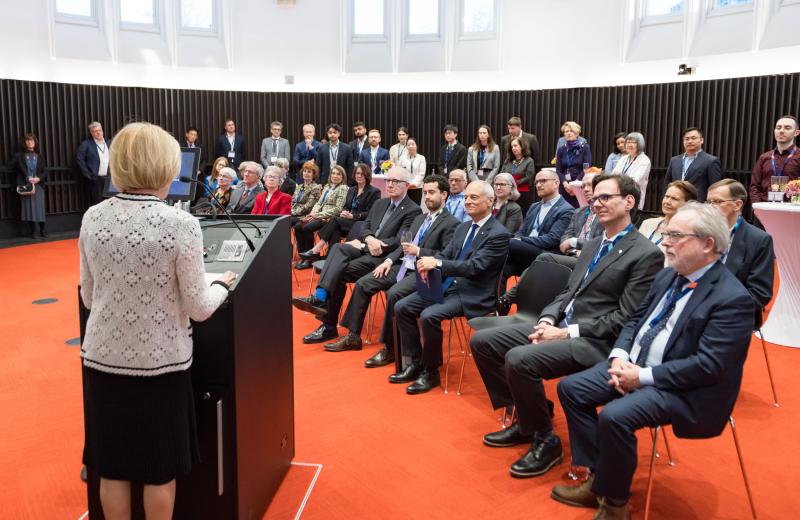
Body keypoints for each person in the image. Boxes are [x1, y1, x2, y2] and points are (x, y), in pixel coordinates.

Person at [552, 202, 754, 520]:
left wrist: (643, 376)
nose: (665, 241)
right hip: (634, 366)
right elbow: (633, 320)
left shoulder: (733, 299)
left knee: (615, 417)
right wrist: (619, 356)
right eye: (667, 233)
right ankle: (598, 478)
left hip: (684, 387)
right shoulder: (667, 276)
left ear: (708, 244)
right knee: (572, 389)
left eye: (675, 235)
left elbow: (709, 365)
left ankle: (615, 504)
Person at [79, 121, 236, 520]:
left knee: (112, 466)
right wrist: (220, 283)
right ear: (164, 166)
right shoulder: (179, 223)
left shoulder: (92, 217)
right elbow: (200, 307)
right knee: (158, 469)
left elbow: (87, 295)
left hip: (102, 362)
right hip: (160, 366)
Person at [472, 174, 664, 482]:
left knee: (520, 359)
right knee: (484, 342)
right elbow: (566, 294)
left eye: (606, 197)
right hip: (559, 325)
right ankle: (528, 414)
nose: (596, 203)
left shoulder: (645, 253)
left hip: (595, 340)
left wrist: (565, 332)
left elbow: (626, 317)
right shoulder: (593, 245)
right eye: (595, 198)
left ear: (629, 202)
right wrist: (548, 319)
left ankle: (545, 438)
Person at [390, 181, 511, 394]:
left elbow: (475, 267)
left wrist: (436, 264)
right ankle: (416, 362)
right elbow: (446, 255)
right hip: (447, 285)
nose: (467, 201)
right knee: (402, 307)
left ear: (490, 201)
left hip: (472, 292)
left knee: (429, 316)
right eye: (465, 197)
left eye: (473, 197)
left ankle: (430, 371)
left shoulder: (498, 233)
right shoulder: (463, 227)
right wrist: (429, 261)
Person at [325, 175, 459, 358]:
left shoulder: (452, 223)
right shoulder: (421, 218)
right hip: (401, 266)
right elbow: (403, 247)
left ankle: (390, 347)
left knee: (393, 293)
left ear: (444, 195)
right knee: (363, 283)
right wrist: (388, 261)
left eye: (432, 192)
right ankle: (353, 336)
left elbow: (445, 256)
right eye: (425, 192)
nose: (427, 196)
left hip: (422, 270)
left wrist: (418, 251)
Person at [291, 167, 421, 343]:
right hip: (365, 247)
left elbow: (401, 241)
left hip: (383, 257)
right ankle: (321, 299)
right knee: (337, 248)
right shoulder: (380, 203)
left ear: (406, 185)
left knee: (337, 272)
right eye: (388, 180)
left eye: (395, 181)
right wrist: (368, 238)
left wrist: (376, 243)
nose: (389, 184)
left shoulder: (413, 210)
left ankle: (331, 325)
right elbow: (364, 226)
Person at [707, 179, 775, 323]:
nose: (710, 207)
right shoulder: (701, 233)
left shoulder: (758, 240)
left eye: (717, 202)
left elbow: (759, 293)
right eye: (709, 202)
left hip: (732, 316)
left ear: (737, 204)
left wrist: (717, 309)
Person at [502, 170, 573, 285]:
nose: (539, 185)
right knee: (503, 265)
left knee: (508, 243)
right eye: (536, 182)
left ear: (556, 183)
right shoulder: (534, 206)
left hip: (545, 253)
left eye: (543, 181)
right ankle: (497, 302)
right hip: (524, 250)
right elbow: (522, 231)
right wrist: (519, 239)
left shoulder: (566, 210)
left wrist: (521, 240)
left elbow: (552, 240)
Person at [301, 163, 381, 261]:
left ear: (367, 175)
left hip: (359, 224)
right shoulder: (352, 189)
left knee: (335, 220)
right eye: (357, 173)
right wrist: (344, 212)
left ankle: (316, 249)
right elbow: (345, 207)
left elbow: (371, 213)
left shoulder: (374, 192)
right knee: (335, 231)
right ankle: (329, 260)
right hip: (346, 221)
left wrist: (353, 216)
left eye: (362, 174)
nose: (359, 176)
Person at [294, 165, 349, 267]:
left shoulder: (343, 188)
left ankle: (311, 258)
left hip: (328, 217)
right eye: (333, 173)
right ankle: (304, 256)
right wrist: (313, 213)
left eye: (338, 174)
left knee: (307, 228)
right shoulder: (327, 186)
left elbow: (338, 208)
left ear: (343, 177)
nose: (335, 176)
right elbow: (319, 203)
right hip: (318, 215)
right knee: (298, 226)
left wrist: (318, 215)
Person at [639, 180, 698, 257]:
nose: (667, 202)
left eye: (674, 199)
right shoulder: (647, 224)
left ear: (688, 204)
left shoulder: (690, 232)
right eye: (666, 196)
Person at [750, 115, 800, 204]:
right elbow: (755, 186)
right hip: (765, 209)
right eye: (778, 127)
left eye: (787, 128)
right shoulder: (765, 157)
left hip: (792, 210)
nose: (781, 131)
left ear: (796, 133)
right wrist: (757, 207)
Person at [662, 127, 721, 202]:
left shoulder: (711, 161)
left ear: (701, 140)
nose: (690, 141)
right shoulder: (674, 160)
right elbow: (667, 183)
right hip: (675, 203)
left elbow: (714, 188)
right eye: (686, 139)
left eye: (693, 138)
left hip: (697, 205)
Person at [557, 170, 604, 263]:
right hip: (572, 256)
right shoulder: (579, 212)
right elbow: (565, 238)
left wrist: (574, 242)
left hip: (592, 260)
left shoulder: (607, 212)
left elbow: (601, 243)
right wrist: (573, 251)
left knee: (545, 258)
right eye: (583, 186)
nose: (585, 189)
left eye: (590, 185)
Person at [14, 133, 47, 238]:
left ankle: (43, 230)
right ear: (24, 143)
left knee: (40, 208)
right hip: (26, 186)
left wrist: (39, 178)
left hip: (38, 185)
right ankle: (33, 232)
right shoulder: (20, 156)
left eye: (32, 140)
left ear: (35, 142)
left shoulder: (40, 156)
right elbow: (11, 167)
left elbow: (45, 171)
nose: (30, 142)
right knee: (29, 209)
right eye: (27, 140)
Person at [555, 121, 592, 207]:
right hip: (564, 185)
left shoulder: (585, 148)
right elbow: (558, 170)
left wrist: (574, 184)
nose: (568, 133)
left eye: (571, 131)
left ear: (577, 133)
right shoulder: (561, 149)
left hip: (579, 183)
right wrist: (565, 184)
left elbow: (586, 168)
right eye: (566, 131)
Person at [612, 132, 651, 210]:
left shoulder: (644, 160)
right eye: (627, 142)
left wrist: (618, 180)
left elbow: (635, 180)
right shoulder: (624, 158)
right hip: (618, 195)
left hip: (633, 196)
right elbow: (613, 175)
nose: (629, 145)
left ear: (640, 144)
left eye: (633, 142)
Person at [76, 121, 111, 205]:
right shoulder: (86, 144)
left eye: (100, 130)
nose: (98, 133)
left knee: (110, 202)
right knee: (98, 203)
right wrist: (88, 174)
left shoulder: (110, 142)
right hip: (95, 179)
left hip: (109, 178)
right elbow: (79, 159)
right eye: (95, 131)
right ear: (92, 133)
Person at [500, 137, 536, 214]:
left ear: (522, 146)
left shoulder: (529, 160)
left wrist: (514, 183)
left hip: (522, 192)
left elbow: (529, 177)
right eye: (512, 146)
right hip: (508, 192)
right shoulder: (508, 160)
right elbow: (501, 174)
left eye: (515, 146)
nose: (513, 148)